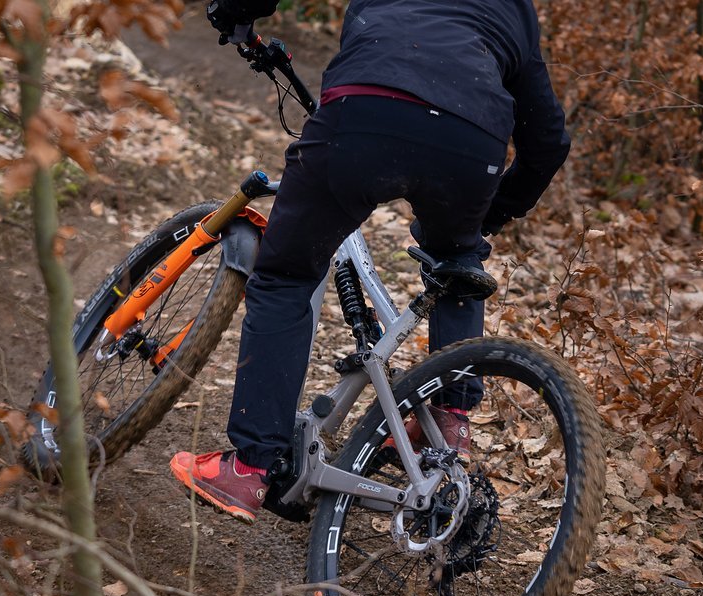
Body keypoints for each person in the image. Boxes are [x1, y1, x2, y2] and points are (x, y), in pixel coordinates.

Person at [171, 0, 571, 524]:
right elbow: (547, 141)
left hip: (365, 112)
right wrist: (491, 214)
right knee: (457, 265)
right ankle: (447, 424)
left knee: (286, 275)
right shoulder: (514, 8)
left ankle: (250, 468)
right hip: (473, 143)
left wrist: (238, 10)